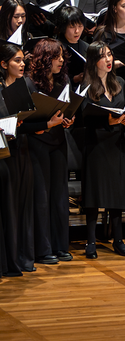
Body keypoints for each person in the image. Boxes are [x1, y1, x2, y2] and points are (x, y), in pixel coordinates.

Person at [24, 39, 75, 264]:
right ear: (45, 59)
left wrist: (68, 120)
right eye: (56, 57)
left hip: (58, 142)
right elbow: (23, 123)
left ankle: (60, 245)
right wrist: (48, 124)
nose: (61, 61)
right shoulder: (29, 84)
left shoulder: (64, 80)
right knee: (42, 198)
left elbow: (69, 109)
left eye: (62, 56)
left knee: (59, 197)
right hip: (37, 143)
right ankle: (43, 249)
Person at [0, 43, 37, 272]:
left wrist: (46, 123)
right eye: (16, 60)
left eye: (23, 60)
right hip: (4, 155)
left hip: (22, 149)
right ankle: (8, 260)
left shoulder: (26, 85)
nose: (22, 64)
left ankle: (23, 257)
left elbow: (31, 118)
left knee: (24, 205)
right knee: (8, 207)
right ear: (4, 64)